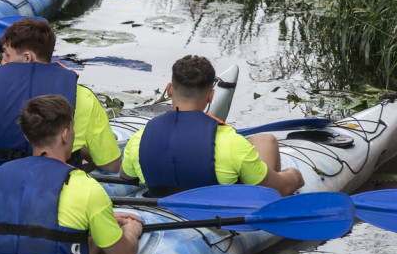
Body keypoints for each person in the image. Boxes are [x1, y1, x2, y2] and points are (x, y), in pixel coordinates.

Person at [0, 95, 142, 254]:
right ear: (65, 135)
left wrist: (93, 224)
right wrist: (132, 231)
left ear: (26, 135)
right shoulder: (87, 189)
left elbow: (32, 226)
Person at [121, 55, 305, 196]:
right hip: (218, 210)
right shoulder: (231, 142)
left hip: (163, 205)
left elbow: (125, 176)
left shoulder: (140, 138)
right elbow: (279, 189)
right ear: (211, 96)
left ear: (169, 90)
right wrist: (295, 176)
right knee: (266, 140)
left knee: (265, 140)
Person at [0, 18, 121, 169]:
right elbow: (112, 166)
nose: (3, 62)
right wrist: (83, 151)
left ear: (27, 57)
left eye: (7, 55)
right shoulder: (84, 97)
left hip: (2, 182)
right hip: (59, 183)